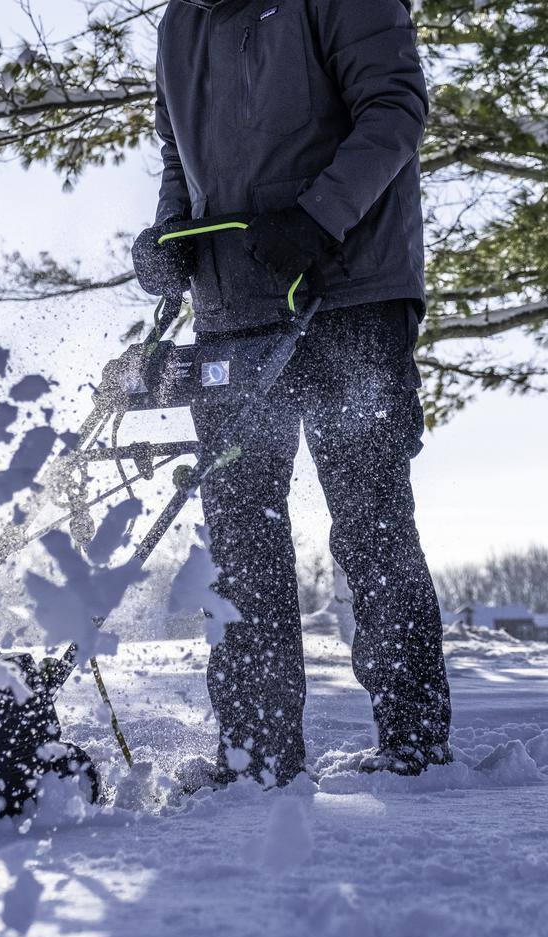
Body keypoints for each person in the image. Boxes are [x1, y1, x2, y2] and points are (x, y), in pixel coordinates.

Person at [132, 0, 452, 785]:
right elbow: (178, 155)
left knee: (371, 517)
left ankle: (413, 743)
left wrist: (317, 218)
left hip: (351, 291)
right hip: (234, 306)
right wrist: (170, 233)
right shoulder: (182, 21)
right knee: (240, 535)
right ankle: (257, 755)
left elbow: (394, 111)